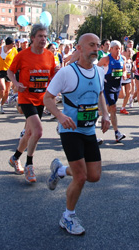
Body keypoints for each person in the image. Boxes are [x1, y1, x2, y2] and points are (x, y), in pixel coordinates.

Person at [44, 33, 111, 236]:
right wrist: (60, 116)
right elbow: (47, 98)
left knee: (94, 176)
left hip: (89, 129)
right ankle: (68, 216)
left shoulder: (99, 71)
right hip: (70, 129)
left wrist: (106, 115)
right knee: (81, 177)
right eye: (91, 45)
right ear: (79, 48)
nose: (96, 49)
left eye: (98, 45)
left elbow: (100, 93)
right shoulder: (67, 73)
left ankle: (60, 171)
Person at [7, 24, 58, 183]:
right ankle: (29, 165)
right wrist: (15, 82)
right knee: (38, 131)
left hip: (41, 99)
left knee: (29, 133)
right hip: (26, 98)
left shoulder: (49, 55)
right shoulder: (23, 55)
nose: (43, 39)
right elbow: (10, 71)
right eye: (40, 36)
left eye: (45, 36)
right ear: (33, 38)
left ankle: (15, 158)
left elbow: (52, 75)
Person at [97, 40, 126, 143]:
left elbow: (124, 69)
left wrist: (124, 74)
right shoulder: (106, 59)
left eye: (120, 48)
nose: (118, 50)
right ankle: (117, 132)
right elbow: (96, 68)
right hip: (107, 87)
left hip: (117, 87)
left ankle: (97, 114)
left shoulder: (123, 59)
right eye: (116, 48)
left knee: (110, 109)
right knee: (113, 108)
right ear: (111, 49)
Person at [0, 37, 18, 114]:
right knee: (2, 88)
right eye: (12, 43)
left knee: (7, 92)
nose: (14, 45)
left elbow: (17, 59)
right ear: (8, 44)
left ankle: (2, 105)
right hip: (0, 71)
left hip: (9, 72)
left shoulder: (14, 51)